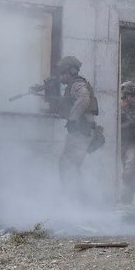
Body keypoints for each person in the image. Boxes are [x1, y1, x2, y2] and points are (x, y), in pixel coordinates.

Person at [45, 55, 100, 197]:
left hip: (81, 131)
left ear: (71, 71)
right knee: (70, 166)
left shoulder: (77, 84)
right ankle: (78, 200)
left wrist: (73, 119)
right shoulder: (72, 86)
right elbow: (64, 106)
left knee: (67, 165)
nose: (61, 76)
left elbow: (84, 98)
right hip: (81, 132)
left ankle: (75, 201)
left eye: (63, 72)